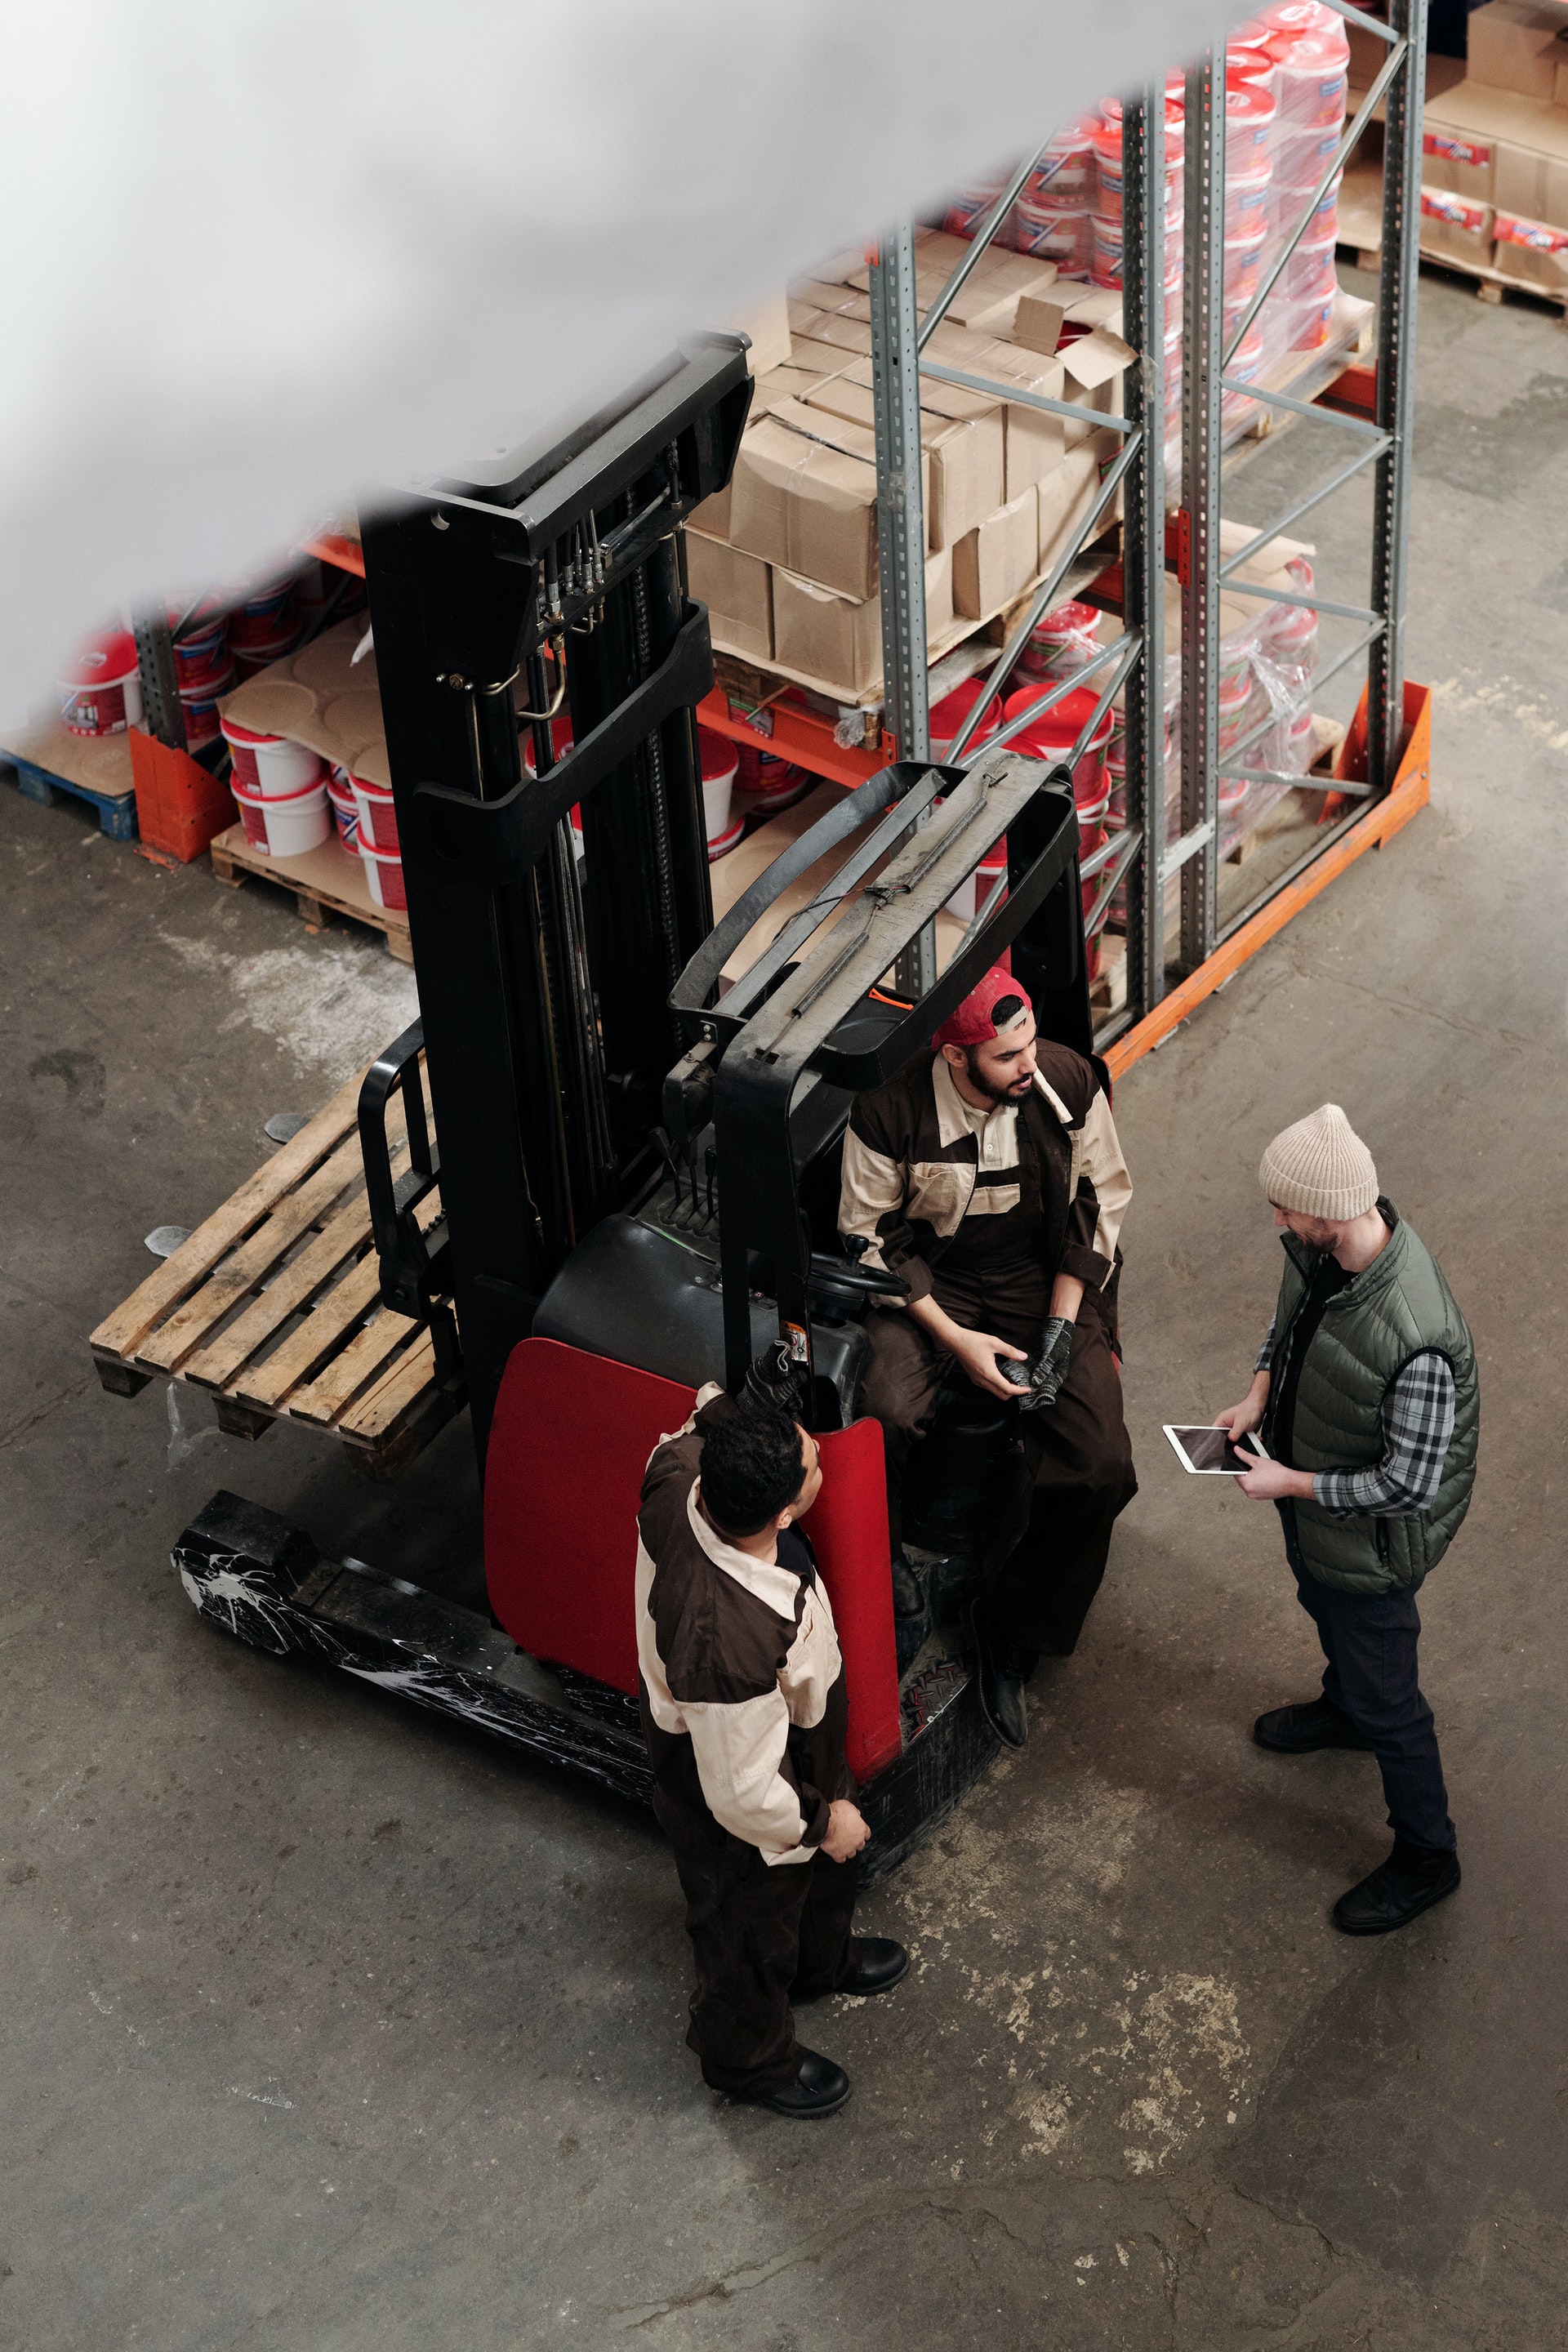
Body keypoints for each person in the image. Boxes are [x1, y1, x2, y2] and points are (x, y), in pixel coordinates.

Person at [839, 961, 1136, 1750]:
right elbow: (867, 1237)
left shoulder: (1066, 1082)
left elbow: (1100, 1200)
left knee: (1100, 1462)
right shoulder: (889, 1109)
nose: (1028, 1064)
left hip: (1042, 1278)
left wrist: (1061, 1331)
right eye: (1008, 1056)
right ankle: (885, 1576)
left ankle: (1013, 1622)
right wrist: (956, 1340)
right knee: (883, 1412)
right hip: (936, 1286)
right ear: (954, 1054)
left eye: (1031, 1042)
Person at [1214, 1103, 1479, 1936]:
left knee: (1394, 1703)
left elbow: (1409, 1485)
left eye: (1286, 1209)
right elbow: (1286, 1324)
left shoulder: (1419, 1336)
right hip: (1315, 1509)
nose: (1277, 1222)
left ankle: (1428, 1857)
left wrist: (1295, 1484)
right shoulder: (1318, 1251)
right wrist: (1260, 1388)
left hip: (1371, 1540)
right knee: (1322, 1607)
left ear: (1329, 1211)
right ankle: (1345, 1708)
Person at [635, 1372, 910, 2118]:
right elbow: (743, 1795)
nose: (819, 1451)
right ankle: (748, 2060)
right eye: (811, 1464)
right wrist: (824, 1822)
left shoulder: (682, 1470)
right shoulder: (722, 1639)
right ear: (787, 1511)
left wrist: (748, 1401)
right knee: (744, 1917)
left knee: (814, 1879)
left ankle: (821, 1964)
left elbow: (702, 1408)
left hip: (788, 1724)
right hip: (729, 1769)